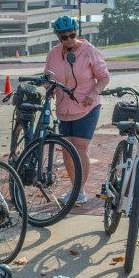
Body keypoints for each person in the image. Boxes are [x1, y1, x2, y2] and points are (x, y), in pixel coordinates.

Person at [43, 14, 110, 206]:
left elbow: (104, 77)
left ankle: (79, 191)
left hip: (86, 108)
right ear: (58, 37)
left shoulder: (90, 51)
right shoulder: (53, 54)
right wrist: (48, 85)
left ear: (76, 32)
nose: (69, 40)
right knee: (66, 151)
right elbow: (48, 76)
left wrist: (94, 91)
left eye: (72, 35)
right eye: (64, 37)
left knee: (80, 149)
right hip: (64, 109)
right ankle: (74, 187)